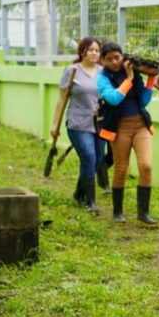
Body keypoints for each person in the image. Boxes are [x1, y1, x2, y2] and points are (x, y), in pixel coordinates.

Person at [96, 42, 157, 225]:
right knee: (121, 168)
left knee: (146, 165)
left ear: (123, 56)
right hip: (119, 126)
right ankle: (117, 212)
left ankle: (143, 212)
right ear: (103, 61)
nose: (114, 62)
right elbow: (114, 99)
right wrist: (128, 78)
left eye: (117, 57)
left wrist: (151, 80)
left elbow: (144, 100)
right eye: (109, 59)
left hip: (140, 124)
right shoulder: (102, 78)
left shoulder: (134, 72)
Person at [50, 37, 104, 214]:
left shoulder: (103, 72)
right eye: (91, 50)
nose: (94, 53)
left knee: (97, 161)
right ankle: (90, 201)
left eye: (97, 50)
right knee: (88, 156)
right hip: (77, 123)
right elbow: (61, 98)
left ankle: (79, 194)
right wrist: (55, 124)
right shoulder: (72, 71)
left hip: (98, 124)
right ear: (82, 52)